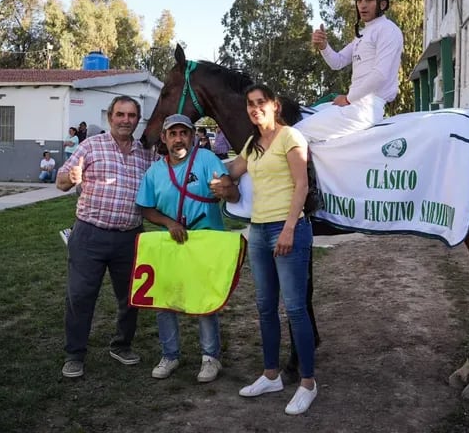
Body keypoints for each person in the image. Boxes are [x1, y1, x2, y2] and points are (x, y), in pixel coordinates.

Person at [215, 84, 316, 415]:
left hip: (288, 229)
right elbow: (233, 170)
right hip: (257, 230)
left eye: (261, 103)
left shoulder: (291, 138)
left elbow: (301, 185)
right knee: (264, 306)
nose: (255, 108)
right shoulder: (253, 143)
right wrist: (202, 167)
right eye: (250, 104)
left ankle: (307, 383)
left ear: (275, 105)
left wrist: (288, 228)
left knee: (296, 309)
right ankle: (271, 374)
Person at [55, 96, 156, 378]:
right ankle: (75, 354)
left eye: (132, 115)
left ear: (138, 120)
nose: (126, 120)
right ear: (110, 117)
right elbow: (61, 181)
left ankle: (121, 345)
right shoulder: (90, 146)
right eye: (120, 114)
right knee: (80, 296)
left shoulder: (148, 153)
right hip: (89, 235)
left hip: (130, 237)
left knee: (130, 297)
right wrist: (71, 178)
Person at [136, 114, 239, 383]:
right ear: (164, 138)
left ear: (192, 136)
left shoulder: (206, 160)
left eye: (184, 133)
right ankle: (170, 354)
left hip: (205, 240)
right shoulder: (155, 172)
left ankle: (210, 357)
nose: (178, 138)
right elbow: (145, 207)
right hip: (171, 243)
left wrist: (226, 190)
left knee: (203, 299)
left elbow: (230, 191)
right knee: (165, 300)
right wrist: (168, 223)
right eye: (173, 133)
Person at [295, 0, 404, 143]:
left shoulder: (388, 30)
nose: (363, 5)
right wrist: (324, 46)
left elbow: (380, 74)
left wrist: (348, 98)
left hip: (367, 108)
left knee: (295, 133)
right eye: (359, 0)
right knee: (301, 116)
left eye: (368, 0)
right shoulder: (364, 34)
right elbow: (337, 62)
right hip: (355, 104)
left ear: (382, 4)